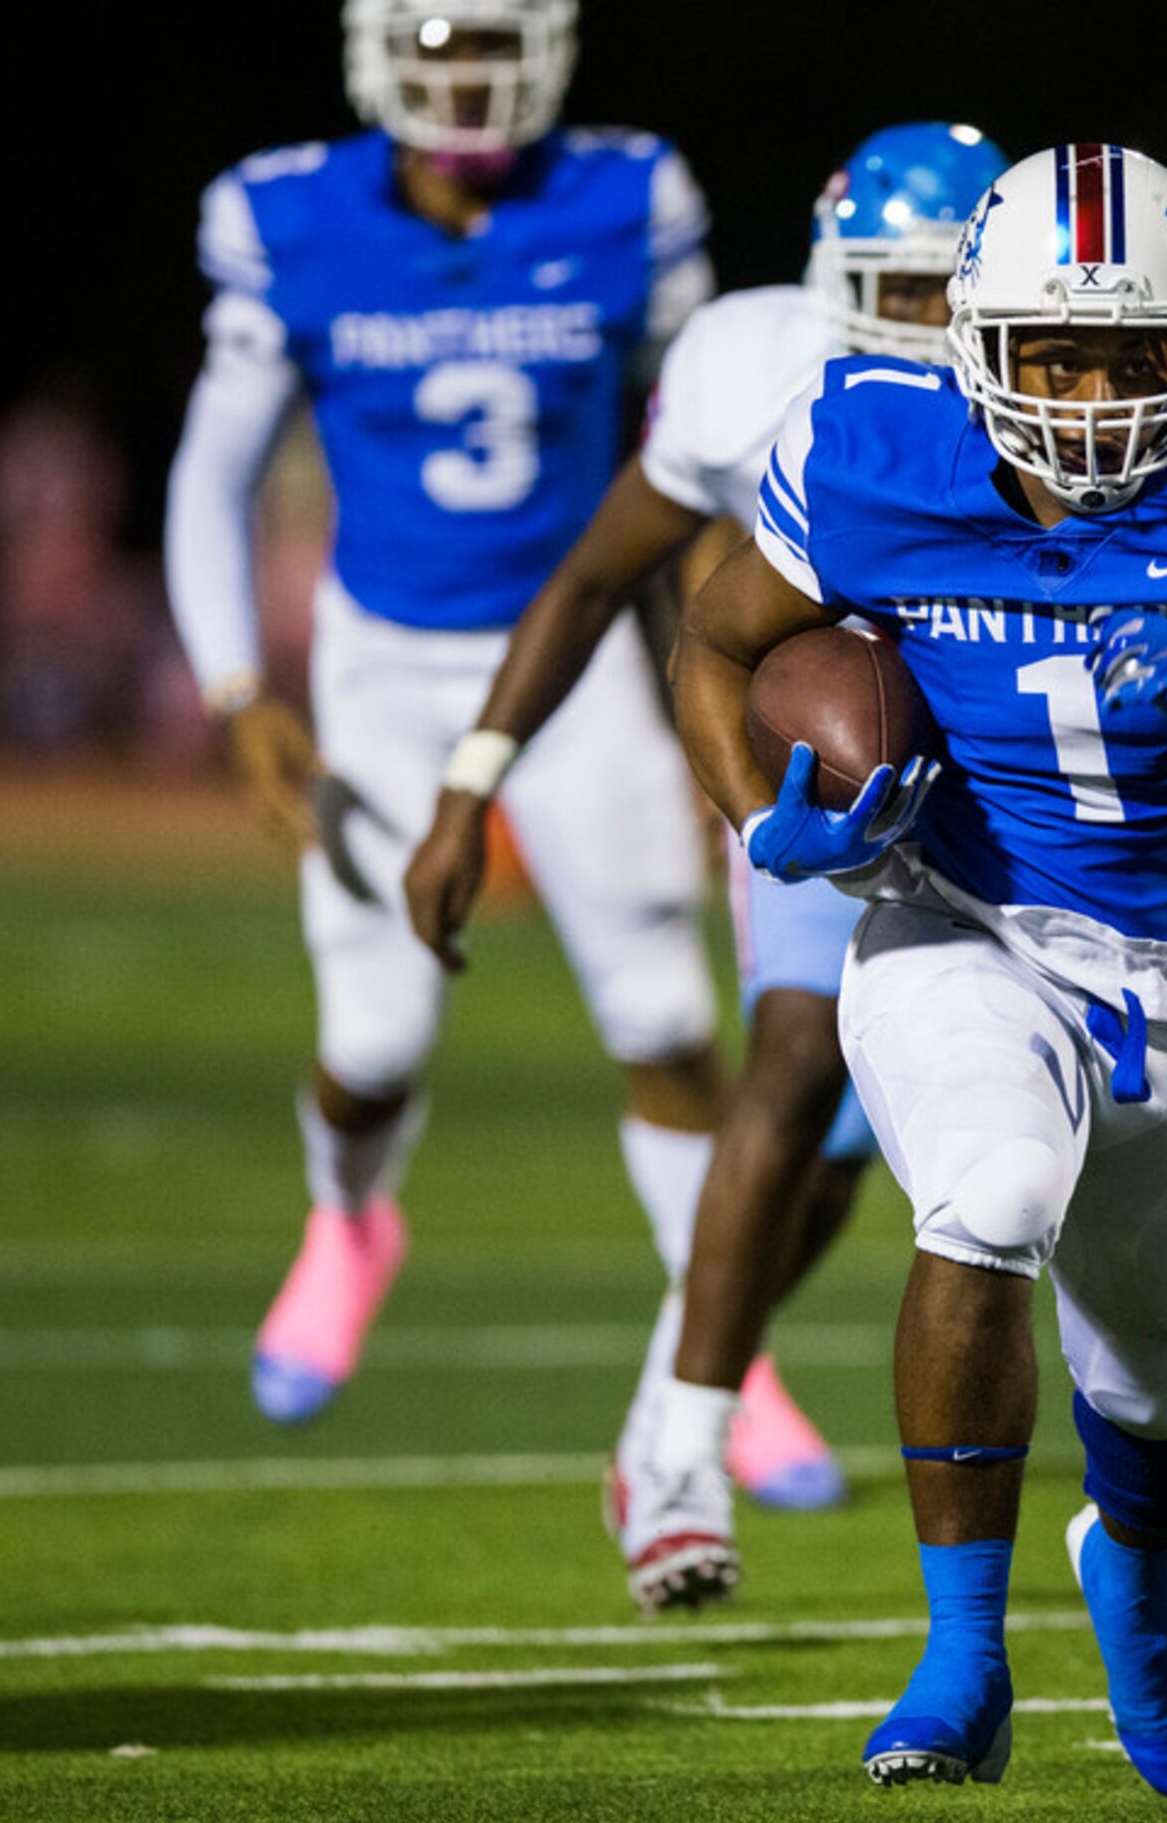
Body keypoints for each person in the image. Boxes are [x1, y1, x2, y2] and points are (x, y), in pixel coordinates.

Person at [669, 144, 1167, 1795]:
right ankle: (961, 1650)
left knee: (1152, 1386)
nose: (1090, 394)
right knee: (986, 1194)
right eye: (1054, 352)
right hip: (959, 924)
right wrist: (761, 826)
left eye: (1132, 356)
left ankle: (1128, 1558)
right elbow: (712, 637)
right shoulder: (872, 444)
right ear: (975, 345)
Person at [401, 121, 1010, 1608]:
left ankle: (664, 1404)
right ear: (832, 273)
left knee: (851, 1150)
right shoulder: (754, 368)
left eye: (950, 292)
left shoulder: (1052, 385)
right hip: (820, 772)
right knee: (795, 1057)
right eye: (896, 287)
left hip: (1011, 781)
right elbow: (602, 570)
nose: (924, 323)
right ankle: (677, 1448)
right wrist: (470, 779)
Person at [163, 0, 726, 1429]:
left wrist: (725, 665)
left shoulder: (626, 197)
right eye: (441, 43)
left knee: (665, 1011)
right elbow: (209, 474)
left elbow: (705, 447)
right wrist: (238, 692)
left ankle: (720, 1349)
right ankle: (347, 1227)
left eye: (494, 41)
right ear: (376, 50)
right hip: (384, 664)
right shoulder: (286, 213)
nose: (468, 77)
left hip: (575, 650)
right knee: (373, 1040)